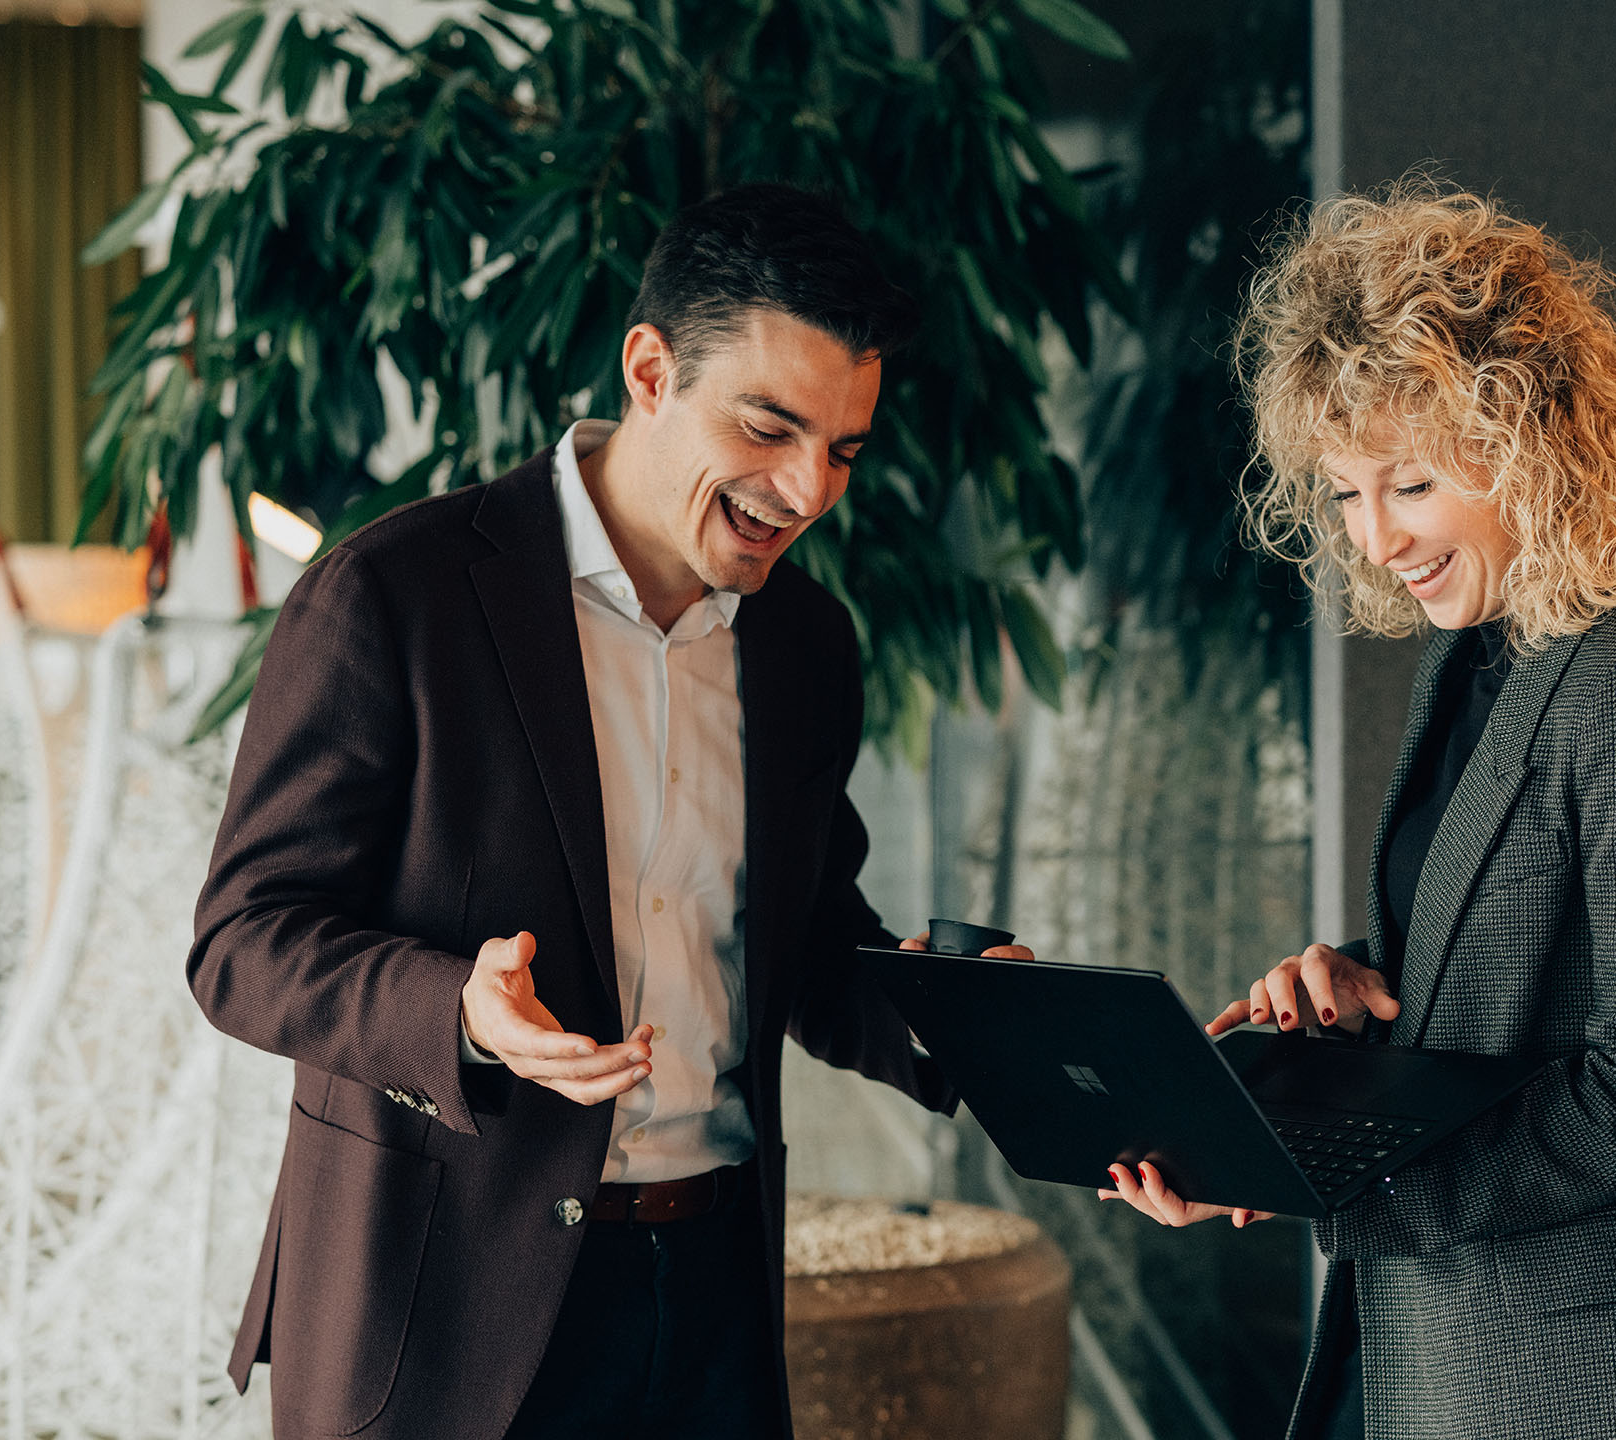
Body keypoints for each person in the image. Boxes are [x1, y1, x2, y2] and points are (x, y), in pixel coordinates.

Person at [187, 184, 1014, 1439]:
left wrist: (988, 1028)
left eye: (843, 449)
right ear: (648, 368)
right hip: (444, 1310)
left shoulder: (806, 640)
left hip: (717, 1292)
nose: (806, 491)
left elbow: (803, 938)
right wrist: (455, 1009)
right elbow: (242, 941)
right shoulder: (391, 595)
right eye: (768, 427)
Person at [1104, 180, 1616, 1440]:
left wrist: (1327, 1172)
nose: (1372, 540)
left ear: (1530, 440)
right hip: (1451, 1341)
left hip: (1588, 1379)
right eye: (1344, 494)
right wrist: (1367, 990)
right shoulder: (1482, 656)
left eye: (1408, 486)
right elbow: (1522, 966)